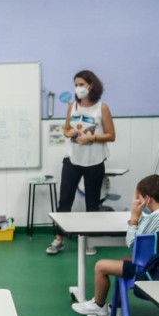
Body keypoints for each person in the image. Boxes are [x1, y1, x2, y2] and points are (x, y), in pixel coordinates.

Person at [71, 175, 159, 316]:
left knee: (100, 266)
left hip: (150, 269)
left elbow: (132, 242)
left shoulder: (151, 223)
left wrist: (134, 220)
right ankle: (116, 307)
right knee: (125, 259)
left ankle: (98, 305)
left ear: (147, 199)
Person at [47, 70, 116, 255]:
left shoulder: (102, 108)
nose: (78, 88)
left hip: (94, 161)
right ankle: (59, 238)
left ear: (91, 85)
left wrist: (92, 137)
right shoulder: (73, 106)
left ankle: (90, 241)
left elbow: (111, 135)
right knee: (64, 201)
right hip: (73, 159)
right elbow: (67, 129)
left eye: (81, 84)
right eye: (76, 85)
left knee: (92, 203)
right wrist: (68, 133)